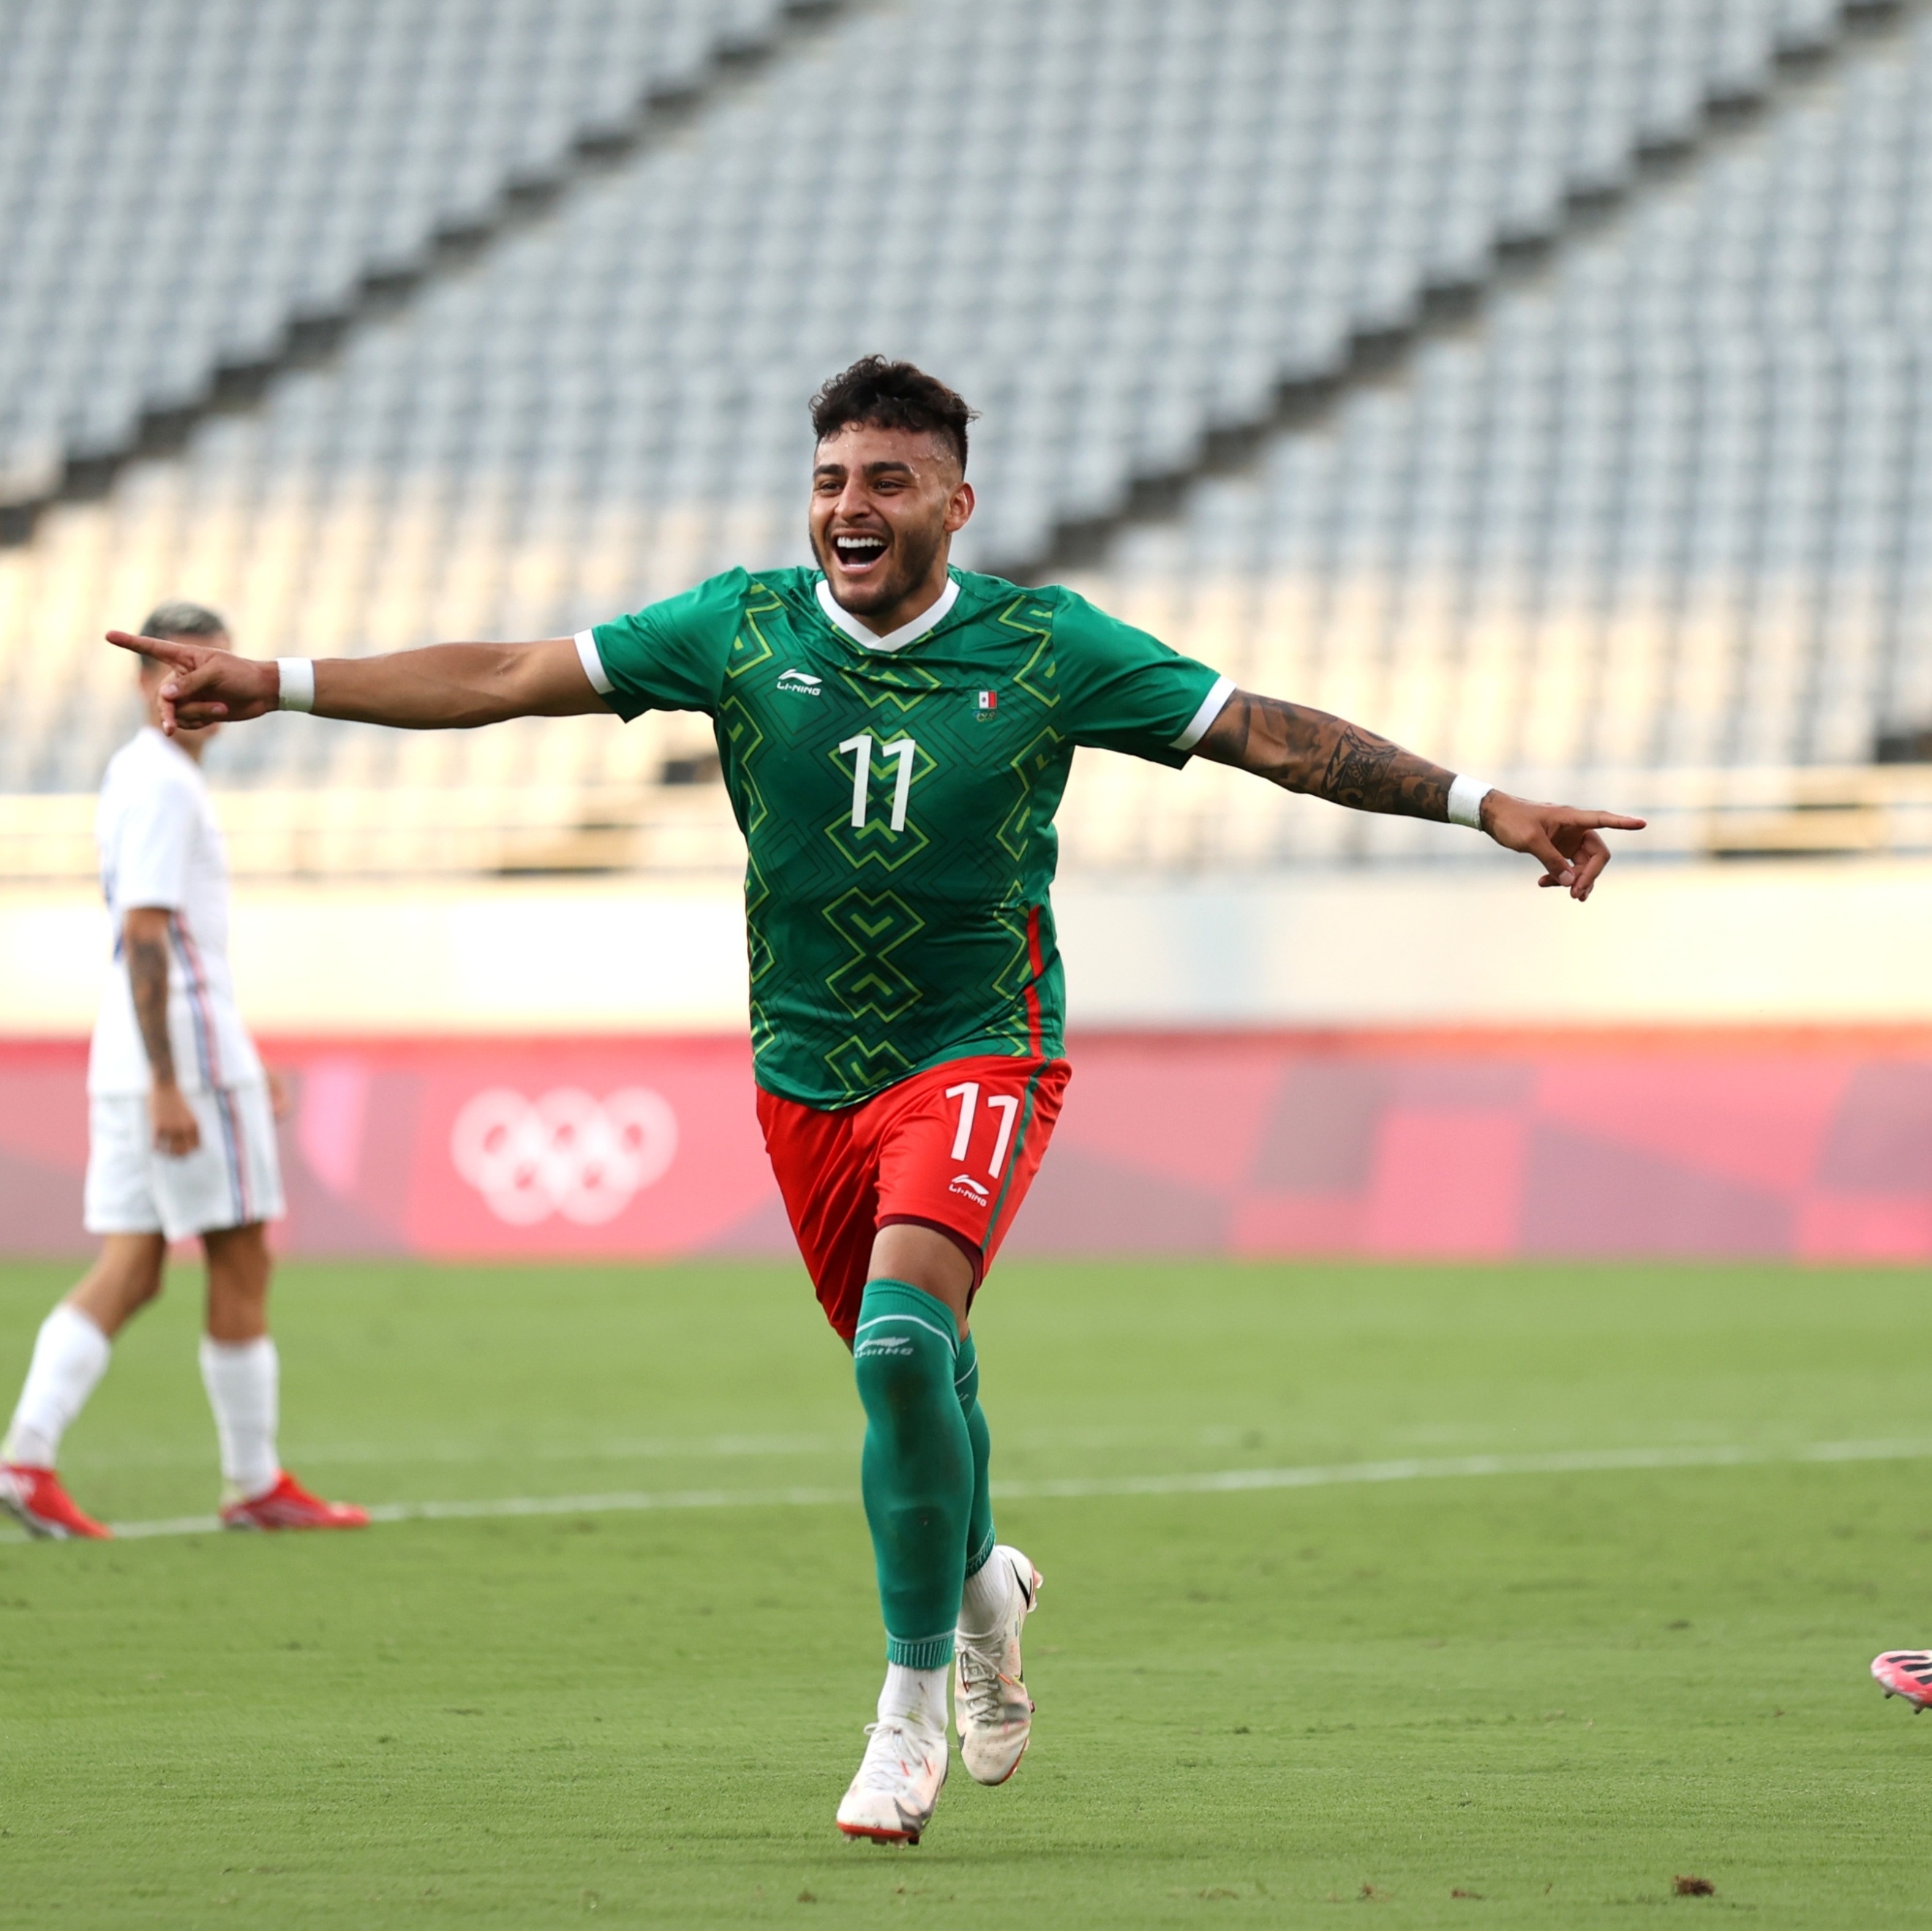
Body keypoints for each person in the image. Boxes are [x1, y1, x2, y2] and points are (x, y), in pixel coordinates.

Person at [110, 359, 1642, 1841]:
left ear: (955, 504)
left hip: (983, 1044)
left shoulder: (1050, 650)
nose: (850, 504)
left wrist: (1478, 801)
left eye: (886, 481)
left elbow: (1261, 733)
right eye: (831, 479)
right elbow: (511, 675)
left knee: (905, 1344)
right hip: (803, 1068)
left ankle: (912, 1701)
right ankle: (985, 1589)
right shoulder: (736, 627)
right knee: (918, 1368)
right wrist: (280, 683)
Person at [0, 603, 368, 1542]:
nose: (191, 693)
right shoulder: (161, 785)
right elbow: (149, 933)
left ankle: (26, 1456)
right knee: (241, 1255)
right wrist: (183, 1078)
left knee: (131, 1265)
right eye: (173, 674)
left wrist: (229, 1057)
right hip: (179, 1065)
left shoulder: (135, 778)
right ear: (141, 683)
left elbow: (166, 940)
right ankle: (253, 1482)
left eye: (206, 673)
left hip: (137, 1054)